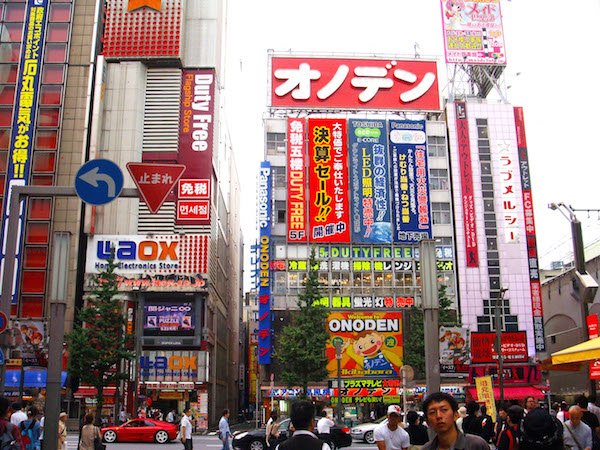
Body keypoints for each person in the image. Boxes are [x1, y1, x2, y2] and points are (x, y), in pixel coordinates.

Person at [421, 392, 489, 450]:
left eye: (444, 410)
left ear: (456, 415)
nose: (438, 416)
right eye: (432, 412)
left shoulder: (476, 445)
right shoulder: (427, 448)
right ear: (427, 422)